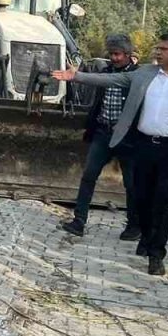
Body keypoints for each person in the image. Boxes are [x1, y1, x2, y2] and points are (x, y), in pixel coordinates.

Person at [52, 32, 168, 277]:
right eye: (157, 48)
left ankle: (156, 254)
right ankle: (144, 235)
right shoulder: (144, 74)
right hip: (142, 145)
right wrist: (76, 76)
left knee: (164, 203)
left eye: (163, 48)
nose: (158, 52)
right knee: (141, 197)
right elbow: (110, 80)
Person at [60, 35, 139, 240]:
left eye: (117, 54)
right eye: (111, 54)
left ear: (128, 55)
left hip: (127, 137)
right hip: (103, 132)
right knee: (89, 175)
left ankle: (134, 225)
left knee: (131, 183)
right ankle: (79, 221)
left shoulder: (137, 77)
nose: (113, 58)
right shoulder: (105, 73)